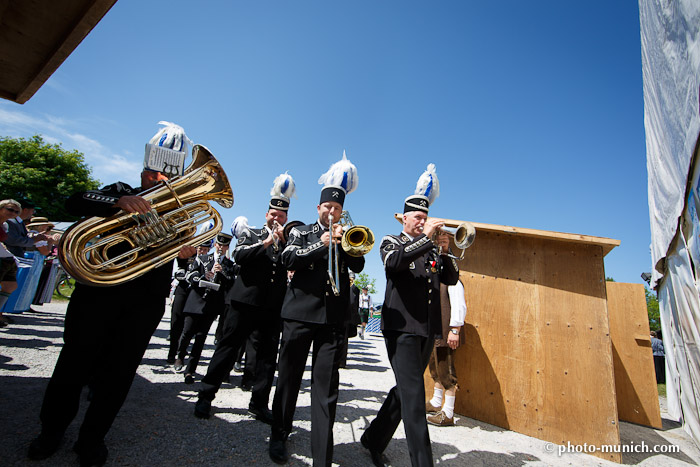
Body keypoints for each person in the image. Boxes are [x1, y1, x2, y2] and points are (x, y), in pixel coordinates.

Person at [27, 122, 198, 466]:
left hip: (145, 301)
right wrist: (118, 202)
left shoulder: (181, 211)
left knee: (119, 373)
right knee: (73, 365)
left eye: (166, 176)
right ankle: (51, 431)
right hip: (98, 294)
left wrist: (185, 250)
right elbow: (75, 200)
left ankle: (92, 439)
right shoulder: (120, 189)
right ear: (142, 171)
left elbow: (186, 247)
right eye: (152, 174)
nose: (159, 180)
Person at [268, 153, 365, 466]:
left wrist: (345, 244)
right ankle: (279, 434)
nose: (332, 212)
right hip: (298, 316)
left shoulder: (344, 233)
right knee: (289, 380)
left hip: (331, 321)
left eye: (337, 208)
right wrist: (323, 243)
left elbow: (359, 265)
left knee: (325, 389)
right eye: (328, 208)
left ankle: (322, 454)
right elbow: (289, 259)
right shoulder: (301, 231)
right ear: (319, 209)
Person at [360, 164, 458, 467]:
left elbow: (451, 279)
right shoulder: (393, 241)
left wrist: (444, 249)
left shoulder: (430, 250)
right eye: (418, 217)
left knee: (405, 391)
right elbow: (394, 265)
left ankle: (373, 439)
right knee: (415, 399)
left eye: (426, 218)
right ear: (404, 217)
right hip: (401, 329)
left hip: (426, 330)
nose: (423, 221)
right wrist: (426, 239)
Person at [194, 173, 296, 423]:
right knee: (228, 348)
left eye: (281, 216)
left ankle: (259, 403)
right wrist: (266, 241)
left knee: (266, 358)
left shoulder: (288, 243)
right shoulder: (251, 233)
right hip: (244, 303)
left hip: (271, 308)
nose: (277, 218)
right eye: (273, 214)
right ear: (266, 215)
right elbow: (239, 255)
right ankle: (206, 396)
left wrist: (283, 243)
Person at [175, 233, 235, 384]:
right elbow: (191, 274)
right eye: (219, 245)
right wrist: (203, 278)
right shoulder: (202, 259)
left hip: (212, 305)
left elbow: (230, 284)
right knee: (187, 332)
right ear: (215, 245)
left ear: (227, 247)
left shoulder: (229, 265)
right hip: (195, 301)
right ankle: (180, 355)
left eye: (224, 246)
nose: (221, 248)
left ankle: (190, 371)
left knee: (201, 338)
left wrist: (221, 273)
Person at [426, 279, 467, 427]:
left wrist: (455, 330)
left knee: (446, 371)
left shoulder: (453, 280)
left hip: (446, 332)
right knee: (435, 368)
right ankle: (436, 403)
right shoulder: (436, 280)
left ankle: (448, 413)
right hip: (435, 333)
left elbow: (459, 306)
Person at [167, 244, 208, 364]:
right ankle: (172, 352)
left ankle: (181, 353)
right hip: (183, 290)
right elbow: (180, 263)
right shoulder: (190, 255)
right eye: (200, 249)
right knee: (176, 322)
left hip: (194, 294)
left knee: (188, 327)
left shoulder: (207, 261)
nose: (202, 252)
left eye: (205, 250)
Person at [0, 199, 21, 327]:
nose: (13, 213)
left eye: (16, 211)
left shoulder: (5, 225)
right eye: (10, 209)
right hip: (2, 258)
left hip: (6, 258)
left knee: (11, 286)